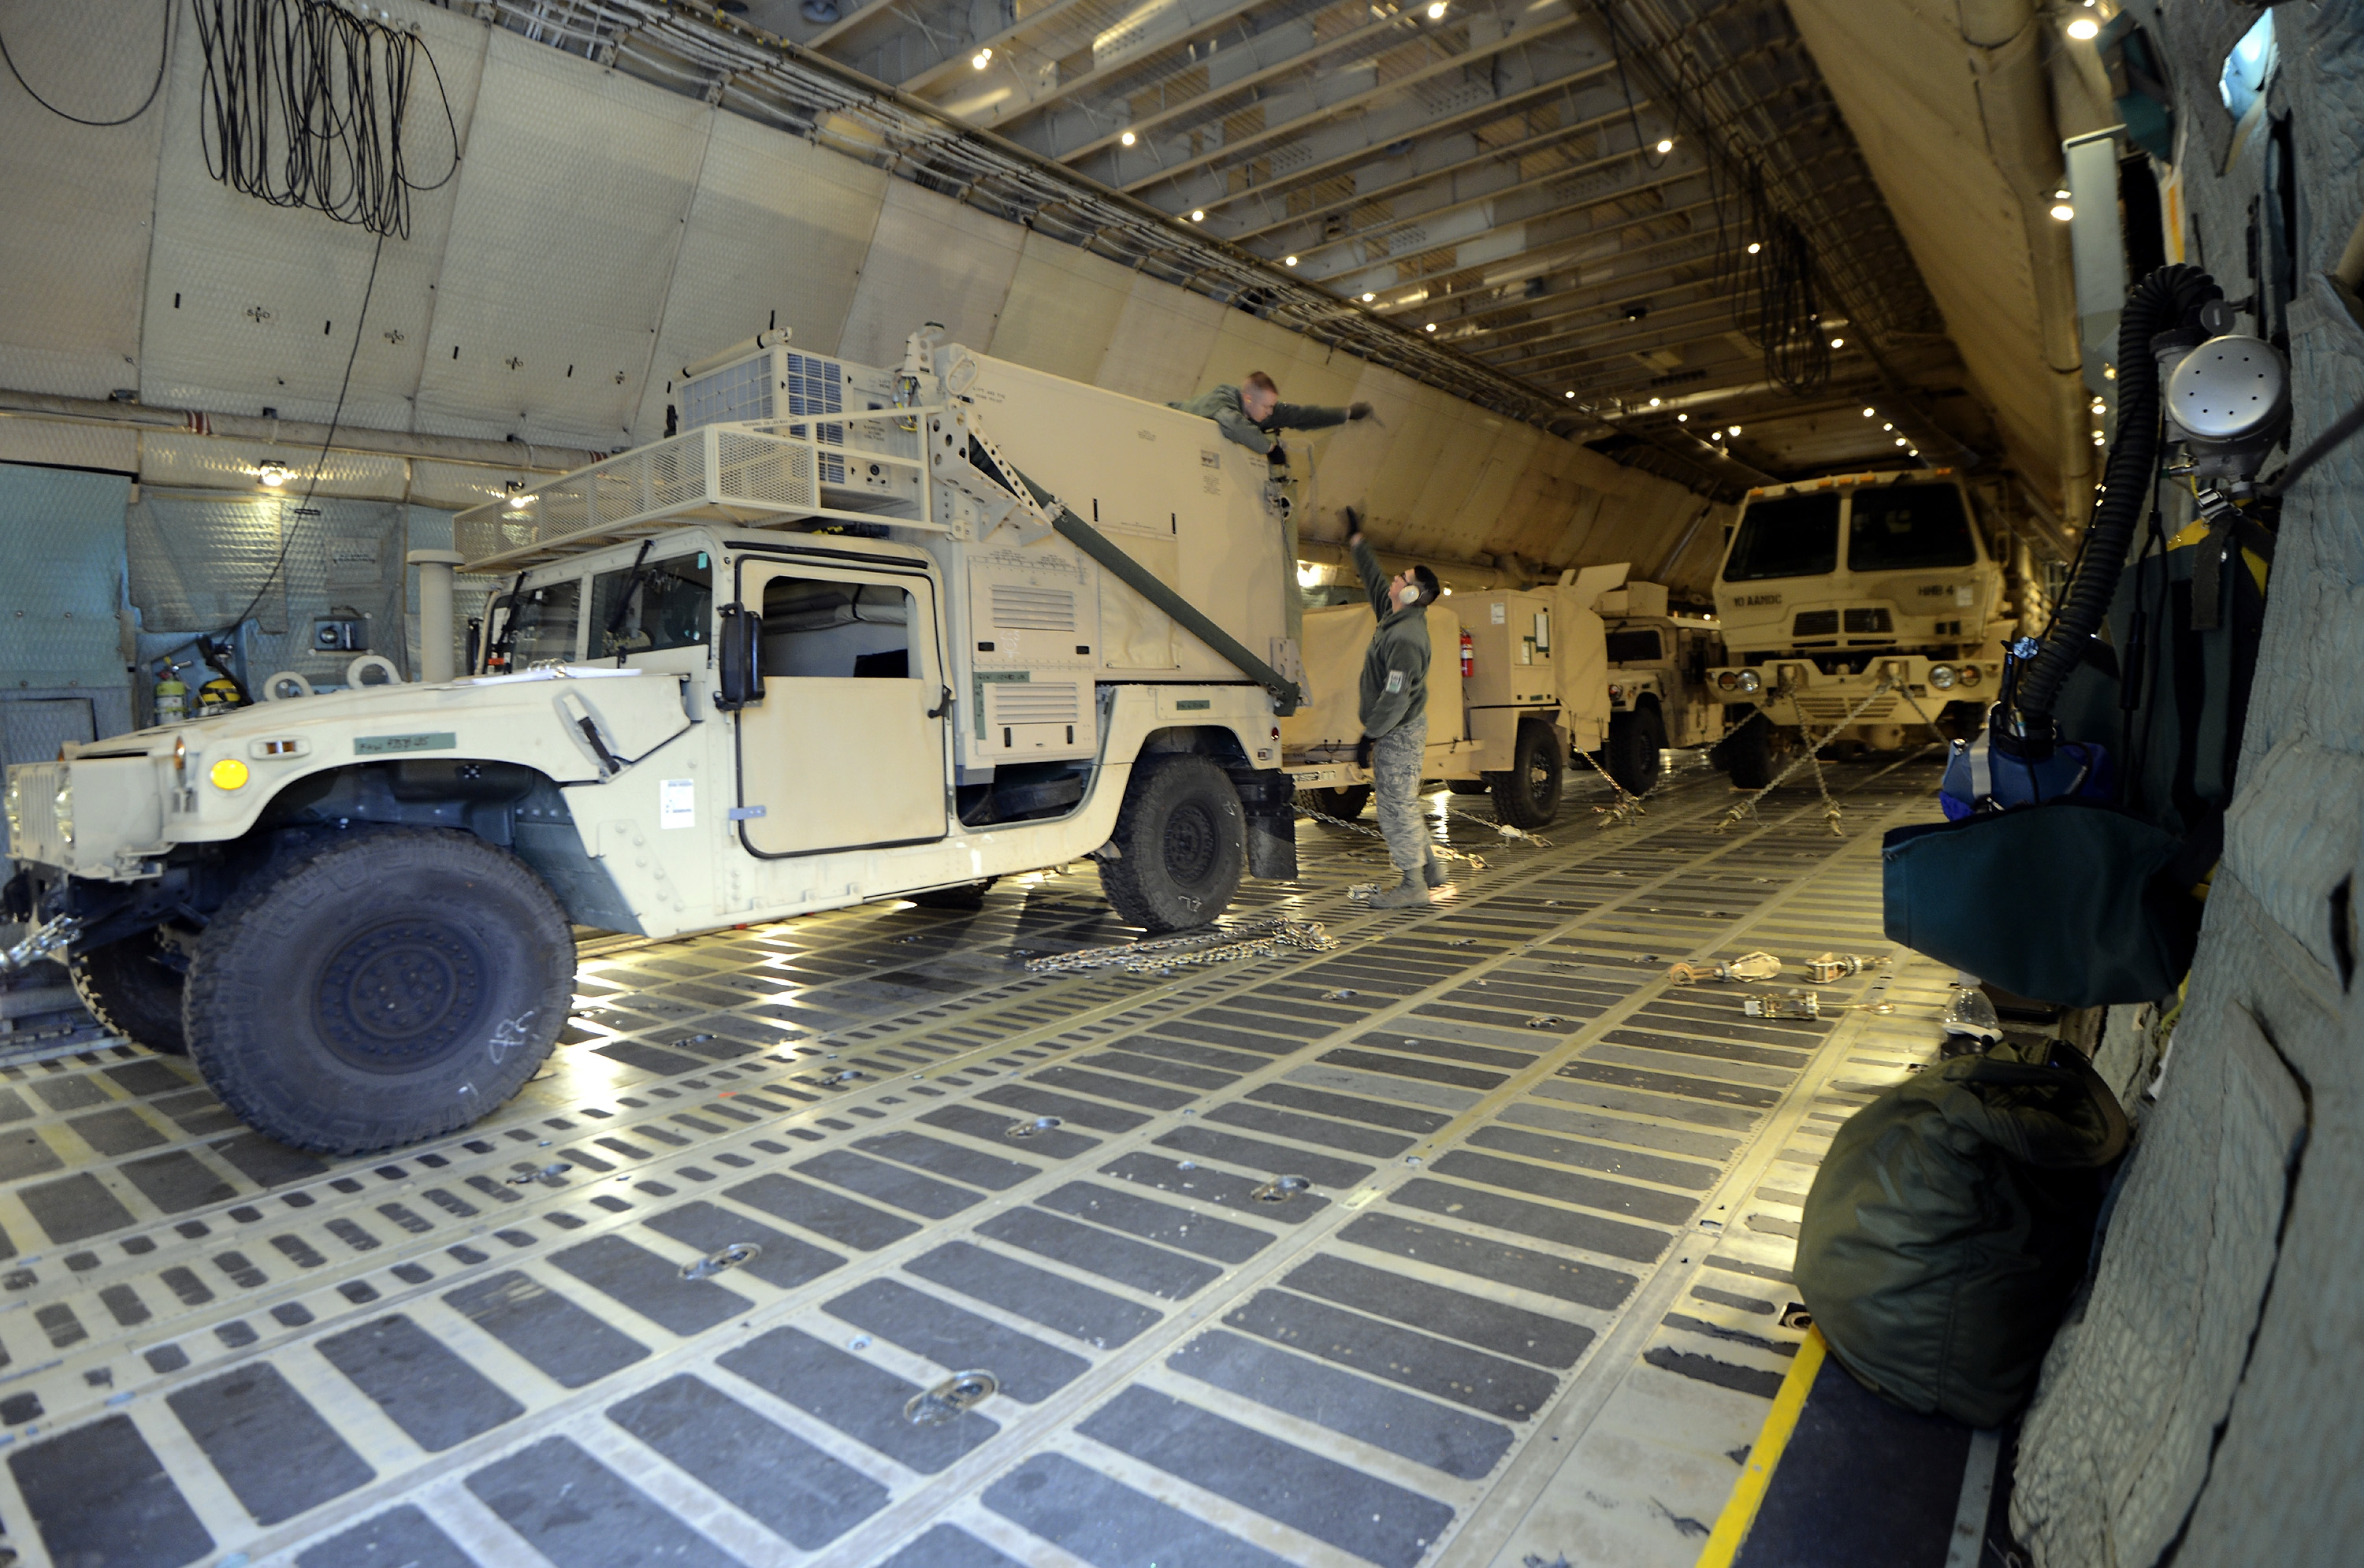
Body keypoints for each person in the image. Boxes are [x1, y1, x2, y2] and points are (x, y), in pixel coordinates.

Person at [1346, 510, 1446, 908]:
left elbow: (1395, 696)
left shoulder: (1406, 638)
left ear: (1411, 594)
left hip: (1397, 730)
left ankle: (1413, 885)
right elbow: (1373, 581)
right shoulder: (1394, 617)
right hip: (1396, 727)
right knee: (1402, 800)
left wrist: (1369, 734)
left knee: (1394, 807)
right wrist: (1357, 542)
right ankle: (1433, 869)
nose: (1395, 579)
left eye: (1402, 579)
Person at [1169, 372, 1373, 457]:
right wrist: (1270, 448)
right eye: (1266, 407)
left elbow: (1301, 415)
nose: (1270, 413)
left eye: (1272, 407)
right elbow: (1233, 424)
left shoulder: (1260, 411)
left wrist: (1346, 414)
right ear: (1248, 398)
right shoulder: (1221, 401)